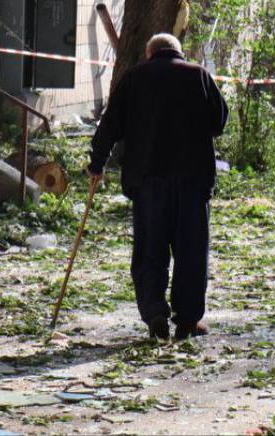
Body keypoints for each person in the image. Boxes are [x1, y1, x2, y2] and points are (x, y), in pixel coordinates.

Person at [87, 33, 229, 342]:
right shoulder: (199, 75)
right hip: (192, 181)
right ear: (179, 52)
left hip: (149, 181)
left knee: (150, 250)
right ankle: (188, 320)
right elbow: (219, 121)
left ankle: (154, 314)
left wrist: (97, 163)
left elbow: (109, 124)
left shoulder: (134, 77)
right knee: (191, 252)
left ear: (150, 53)